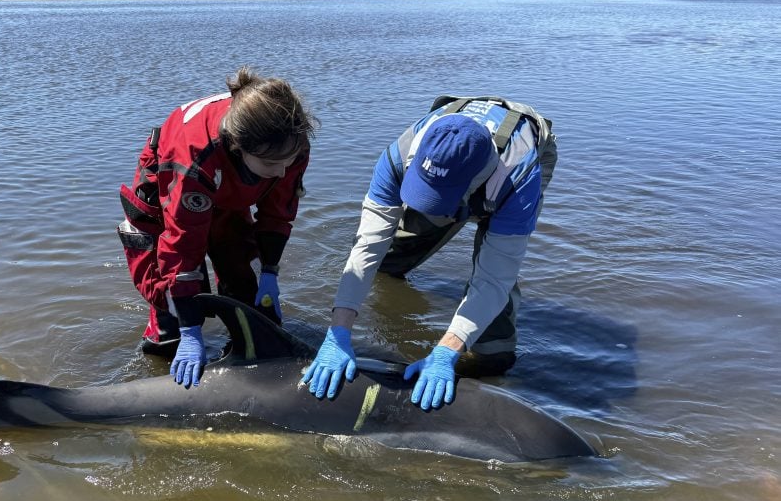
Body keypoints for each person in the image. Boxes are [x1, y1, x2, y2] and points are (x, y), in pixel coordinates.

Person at [302, 95, 557, 411]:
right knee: (388, 260)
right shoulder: (399, 155)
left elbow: (494, 279)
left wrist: (447, 350)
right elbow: (367, 247)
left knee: (493, 345)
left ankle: (489, 353)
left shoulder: (519, 181)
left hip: (511, 169)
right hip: (448, 168)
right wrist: (338, 332)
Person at [117, 67, 316, 388]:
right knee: (170, 313)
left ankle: (237, 353)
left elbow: (278, 211)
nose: (282, 172)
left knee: (253, 300)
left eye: (289, 162)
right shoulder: (195, 160)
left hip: (229, 181)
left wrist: (270, 270)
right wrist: (191, 331)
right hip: (173, 182)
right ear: (239, 147)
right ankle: (170, 337)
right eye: (271, 165)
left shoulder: (287, 143)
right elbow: (181, 244)